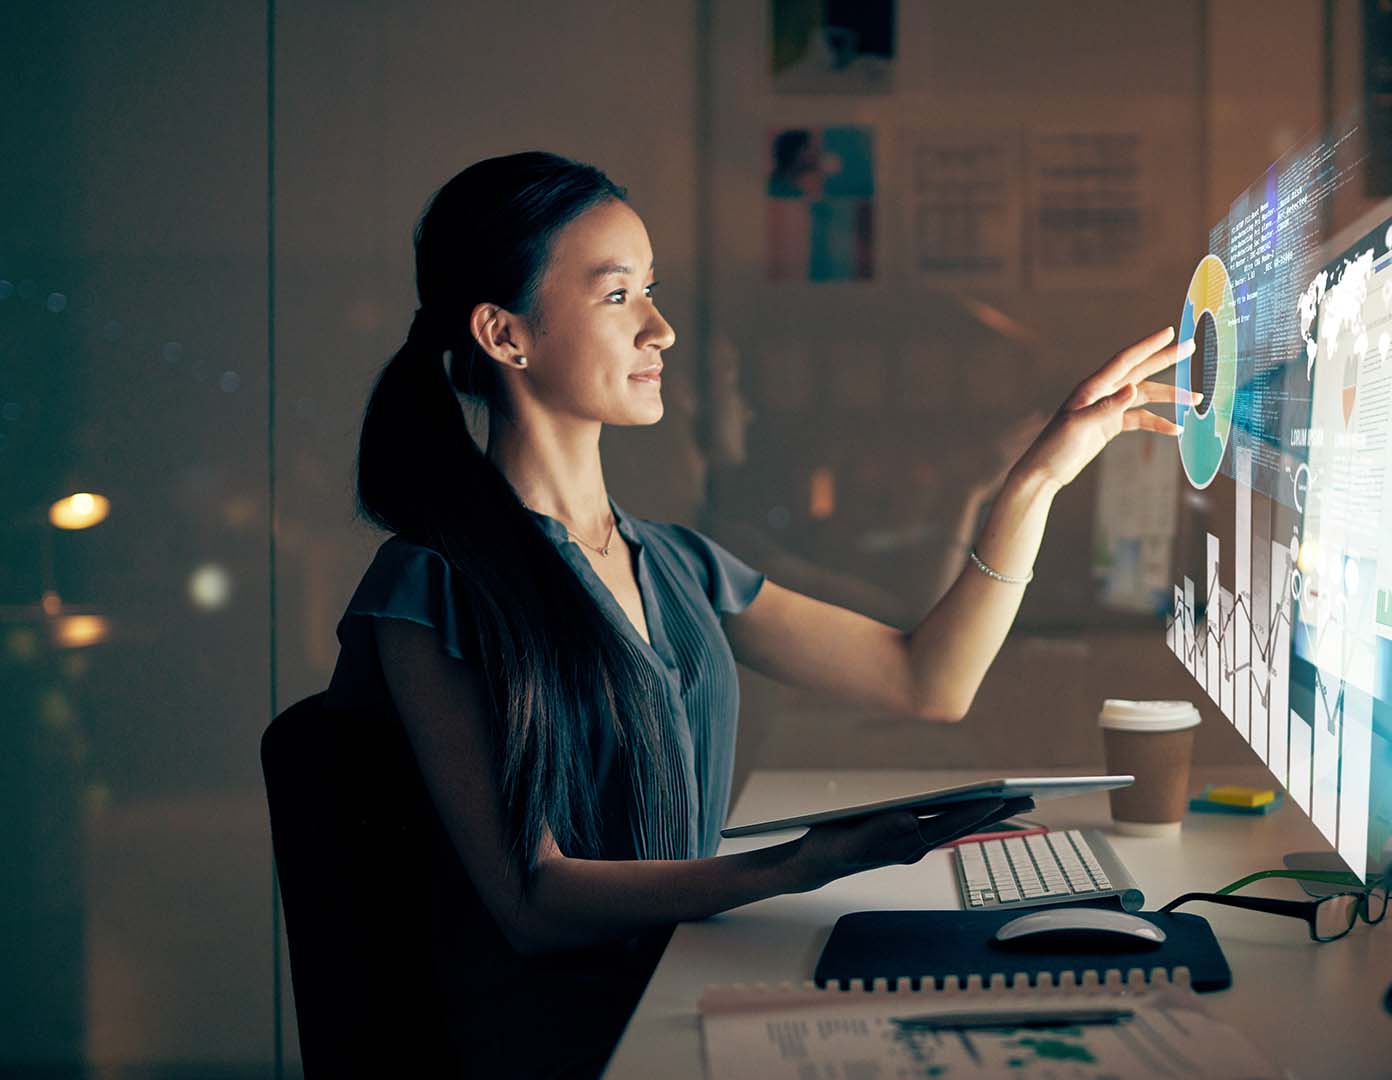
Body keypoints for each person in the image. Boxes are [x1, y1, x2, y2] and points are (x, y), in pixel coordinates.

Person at [324, 150, 1195, 1076]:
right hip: (581, 1045)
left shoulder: (677, 563)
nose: (660, 329)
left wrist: (1039, 479)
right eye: (619, 297)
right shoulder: (431, 590)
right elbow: (531, 902)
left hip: (694, 980)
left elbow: (928, 679)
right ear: (506, 335)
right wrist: (805, 863)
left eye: (651, 291)